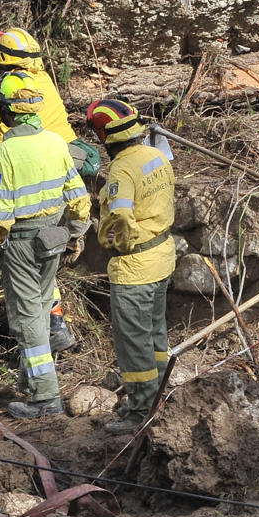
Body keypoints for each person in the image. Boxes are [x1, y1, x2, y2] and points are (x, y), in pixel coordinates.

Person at [0, 26, 100, 350]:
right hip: (63, 158)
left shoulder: (16, 86)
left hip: (46, 163)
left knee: (35, 245)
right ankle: (57, 323)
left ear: (2, 59)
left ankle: (55, 325)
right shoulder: (37, 78)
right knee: (45, 245)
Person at [0, 72, 90, 420]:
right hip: (52, 239)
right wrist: (75, 231)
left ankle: (46, 397)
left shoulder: (5, 153)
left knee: (28, 317)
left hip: (21, 244)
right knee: (42, 307)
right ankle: (32, 383)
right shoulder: (57, 143)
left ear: (6, 111)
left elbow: (1, 216)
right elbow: (78, 196)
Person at [85, 98, 177, 436]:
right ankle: (157, 399)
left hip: (135, 267)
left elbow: (121, 215)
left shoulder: (121, 170)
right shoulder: (156, 155)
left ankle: (141, 411)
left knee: (134, 343)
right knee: (155, 336)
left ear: (105, 137)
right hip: (163, 257)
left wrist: (121, 241)